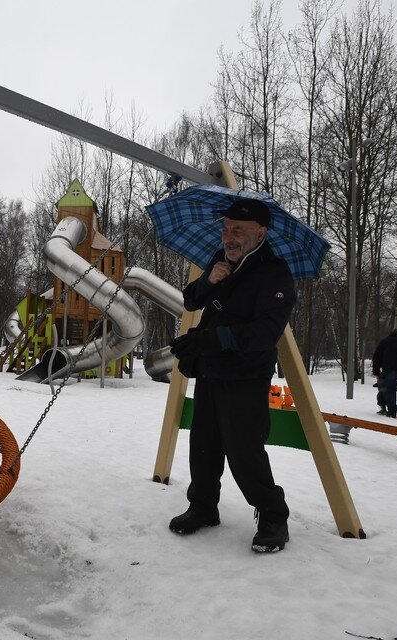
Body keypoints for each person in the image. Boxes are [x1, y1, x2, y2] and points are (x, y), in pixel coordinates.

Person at [168, 197, 296, 553]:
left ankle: (273, 515)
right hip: (211, 368)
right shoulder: (220, 261)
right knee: (203, 444)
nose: (229, 237)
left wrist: (213, 338)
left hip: (246, 374)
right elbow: (191, 300)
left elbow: (265, 333)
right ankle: (203, 506)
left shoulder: (275, 273)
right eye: (226, 229)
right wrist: (209, 281)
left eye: (238, 230)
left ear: (261, 233)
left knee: (243, 449)